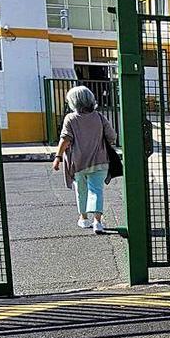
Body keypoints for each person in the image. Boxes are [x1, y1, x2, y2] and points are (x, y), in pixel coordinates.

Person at [51, 85, 117, 234]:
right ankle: (98, 222)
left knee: (81, 191)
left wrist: (58, 157)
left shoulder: (71, 118)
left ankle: (84, 218)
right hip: (100, 161)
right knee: (96, 191)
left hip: (79, 162)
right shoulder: (99, 117)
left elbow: (65, 140)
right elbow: (112, 137)